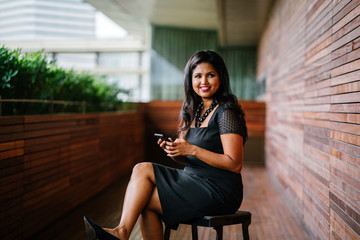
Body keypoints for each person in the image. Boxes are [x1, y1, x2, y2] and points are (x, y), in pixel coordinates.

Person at [84, 50, 248, 240]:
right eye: (198, 76)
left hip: (219, 190)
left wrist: (192, 149)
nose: (204, 81)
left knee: (143, 189)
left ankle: (120, 233)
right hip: (193, 180)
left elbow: (235, 164)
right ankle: (121, 232)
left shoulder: (226, 112)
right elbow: (190, 159)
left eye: (210, 75)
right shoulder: (192, 111)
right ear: (190, 80)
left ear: (221, 77)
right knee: (141, 179)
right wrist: (177, 153)